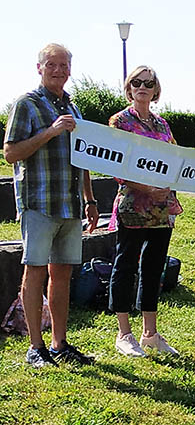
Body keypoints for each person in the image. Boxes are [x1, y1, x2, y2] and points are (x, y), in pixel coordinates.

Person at [3, 43, 99, 367]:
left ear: (70, 69)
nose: (58, 70)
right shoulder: (26, 104)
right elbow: (11, 153)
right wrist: (50, 132)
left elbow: (83, 158)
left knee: (63, 274)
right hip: (39, 204)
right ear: (39, 68)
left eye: (63, 65)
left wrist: (90, 200)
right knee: (35, 271)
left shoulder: (75, 108)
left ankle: (60, 343)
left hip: (71, 206)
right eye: (51, 64)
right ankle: (35, 347)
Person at [108, 65, 183, 357]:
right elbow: (115, 164)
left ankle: (150, 333)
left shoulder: (162, 125)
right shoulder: (120, 121)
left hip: (161, 210)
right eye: (136, 82)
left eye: (148, 83)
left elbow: (176, 160)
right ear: (129, 87)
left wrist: (169, 192)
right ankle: (124, 334)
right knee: (125, 266)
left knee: (154, 268)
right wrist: (147, 188)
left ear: (155, 89)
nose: (142, 86)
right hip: (132, 207)